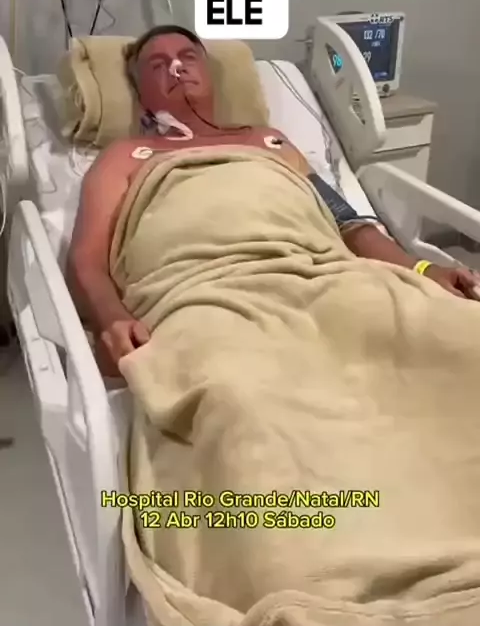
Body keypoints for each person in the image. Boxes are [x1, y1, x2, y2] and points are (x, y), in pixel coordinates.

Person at [65, 25, 479, 376]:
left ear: (208, 73)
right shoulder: (125, 155)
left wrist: (423, 268)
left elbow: (347, 222)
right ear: (142, 93)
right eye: (157, 65)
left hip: (325, 280)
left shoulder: (268, 140)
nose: (176, 66)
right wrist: (112, 319)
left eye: (188, 57)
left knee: (456, 344)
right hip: (206, 298)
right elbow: (87, 259)